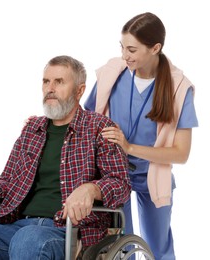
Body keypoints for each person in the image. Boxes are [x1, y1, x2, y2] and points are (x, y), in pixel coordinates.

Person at [0, 55, 131, 260]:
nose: (50, 88)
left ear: (80, 90)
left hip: (67, 231)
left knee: (28, 239)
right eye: (46, 81)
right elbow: (8, 183)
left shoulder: (99, 127)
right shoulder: (32, 129)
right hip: (16, 225)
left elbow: (121, 185)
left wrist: (92, 189)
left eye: (59, 82)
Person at [84, 12, 198, 260]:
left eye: (132, 50)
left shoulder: (179, 88)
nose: (125, 55)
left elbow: (181, 153)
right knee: (121, 248)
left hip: (153, 175)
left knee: (158, 249)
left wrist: (129, 147)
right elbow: (87, 115)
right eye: (122, 47)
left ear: (155, 48)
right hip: (114, 172)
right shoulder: (112, 72)